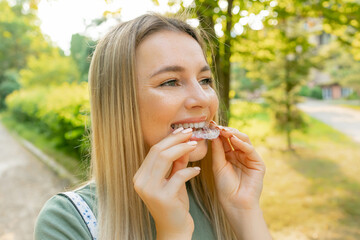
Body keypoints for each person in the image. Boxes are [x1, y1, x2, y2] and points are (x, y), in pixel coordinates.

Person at [34, 13, 272, 240]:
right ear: (120, 103)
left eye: (205, 80)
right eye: (171, 82)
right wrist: (173, 232)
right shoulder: (68, 221)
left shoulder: (220, 199)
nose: (202, 99)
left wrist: (243, 208)